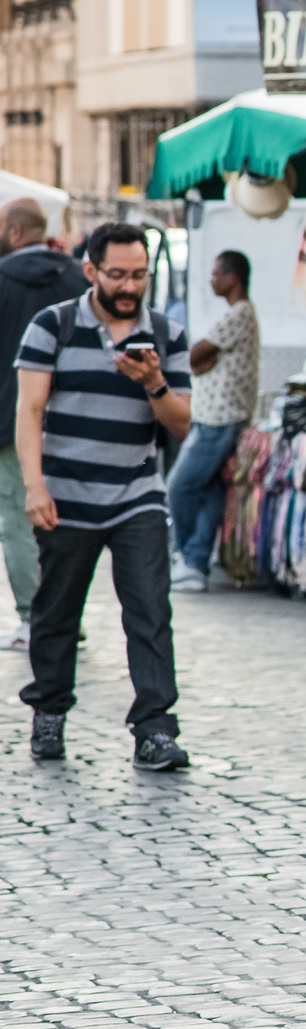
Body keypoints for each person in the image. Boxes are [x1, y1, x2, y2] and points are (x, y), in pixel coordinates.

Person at [15, 222, 193, 770]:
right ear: (91, 270)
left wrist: (154, 383)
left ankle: (154, 731)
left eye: (138, 275)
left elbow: (183, 424)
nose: (129, 286)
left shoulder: (166, 335)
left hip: (137, 493)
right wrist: (35, 486)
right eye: (117, 274)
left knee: (148, 610)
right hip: (66, 496)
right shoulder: (54, 326)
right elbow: (30, 410)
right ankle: (49, 711)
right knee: (56, 612)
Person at [0, 201, 85, 649]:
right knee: (74, 521)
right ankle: (68, 616)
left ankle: (36, 617)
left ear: (15, 233)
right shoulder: (76, 278)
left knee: (19, 517)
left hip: (13, 422)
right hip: (76, 421)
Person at [167, 250, 260, 591]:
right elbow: (200, 360)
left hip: (220, 418)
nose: (211, 279)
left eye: (216, 273)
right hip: (215, 415)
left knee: (180, 486)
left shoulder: (239, 314)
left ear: (232, 277)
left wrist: (203, 360)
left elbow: (194, 356)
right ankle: (195, 562)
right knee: (207, 490)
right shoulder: (238, 315)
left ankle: (190, 556)